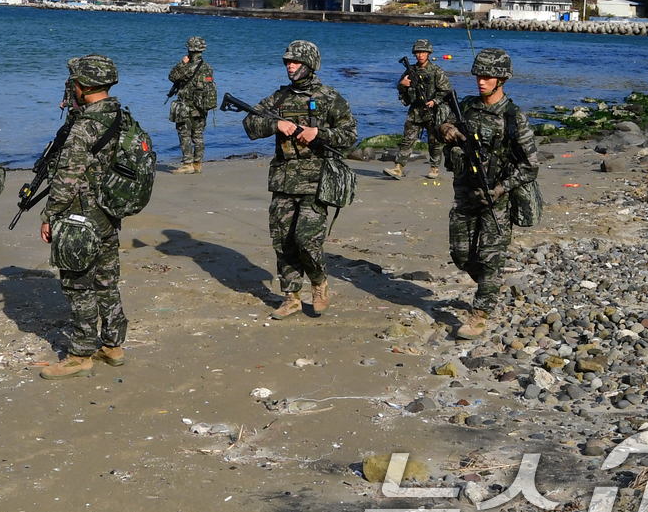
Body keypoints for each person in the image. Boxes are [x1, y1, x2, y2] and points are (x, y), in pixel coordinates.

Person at [242, 40, 358, 319]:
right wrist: (275, 124)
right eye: (287, 62)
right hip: (283, 180)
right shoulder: (278, 99)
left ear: (309, 65)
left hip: (317, 181)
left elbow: (350, 137)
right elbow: (250, 124)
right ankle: (291, 296)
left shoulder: (330, 97)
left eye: (294, 62)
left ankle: (318, 283)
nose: (289, 66)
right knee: (283, 241)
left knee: (307, 239)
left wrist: (319, 134)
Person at [439, 48, 539, 340]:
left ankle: (480, 314)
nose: (481, 81)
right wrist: (447, 129)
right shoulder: (466, 107)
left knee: (490, 257)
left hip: (497, 199)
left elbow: (530, 167)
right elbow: (441, 121)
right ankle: (490, 285)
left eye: (488, 76)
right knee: (460, 255)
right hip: (464, 196)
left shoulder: (513, 117)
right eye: (478, 75)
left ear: (502, 79)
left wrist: (500, 188)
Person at [38, 54, 128, 379]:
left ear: (83, 86)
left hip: (80, 217)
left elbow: (67, 178)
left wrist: (50, 215)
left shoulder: (84, 126)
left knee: (79, 285)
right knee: (107, 280)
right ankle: (114, 345)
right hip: (109, 211)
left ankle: (80, 354)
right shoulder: (122, 116)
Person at [385, 39, 454, 180]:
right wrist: (402, 84)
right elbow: (401, 89)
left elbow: (446, 91)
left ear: (428, 53)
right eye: (417, 52)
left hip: (432, 111)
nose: (420, 55)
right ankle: (398, 167)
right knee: (407, 140)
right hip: (415, 111)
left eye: (423, 52)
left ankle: (434, 168)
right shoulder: (410, 71)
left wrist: (434, 101)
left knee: (434, 141)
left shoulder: (436, 71)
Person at [167, 35, 216, 173]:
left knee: (184, 134)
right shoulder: (208, 67)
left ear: (190, 49)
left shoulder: (187, 67)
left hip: (187, 107)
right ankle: (197, 164)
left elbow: (172, 76)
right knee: (198, 135)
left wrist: (182, 63)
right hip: (202, 107)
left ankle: (188, 164)